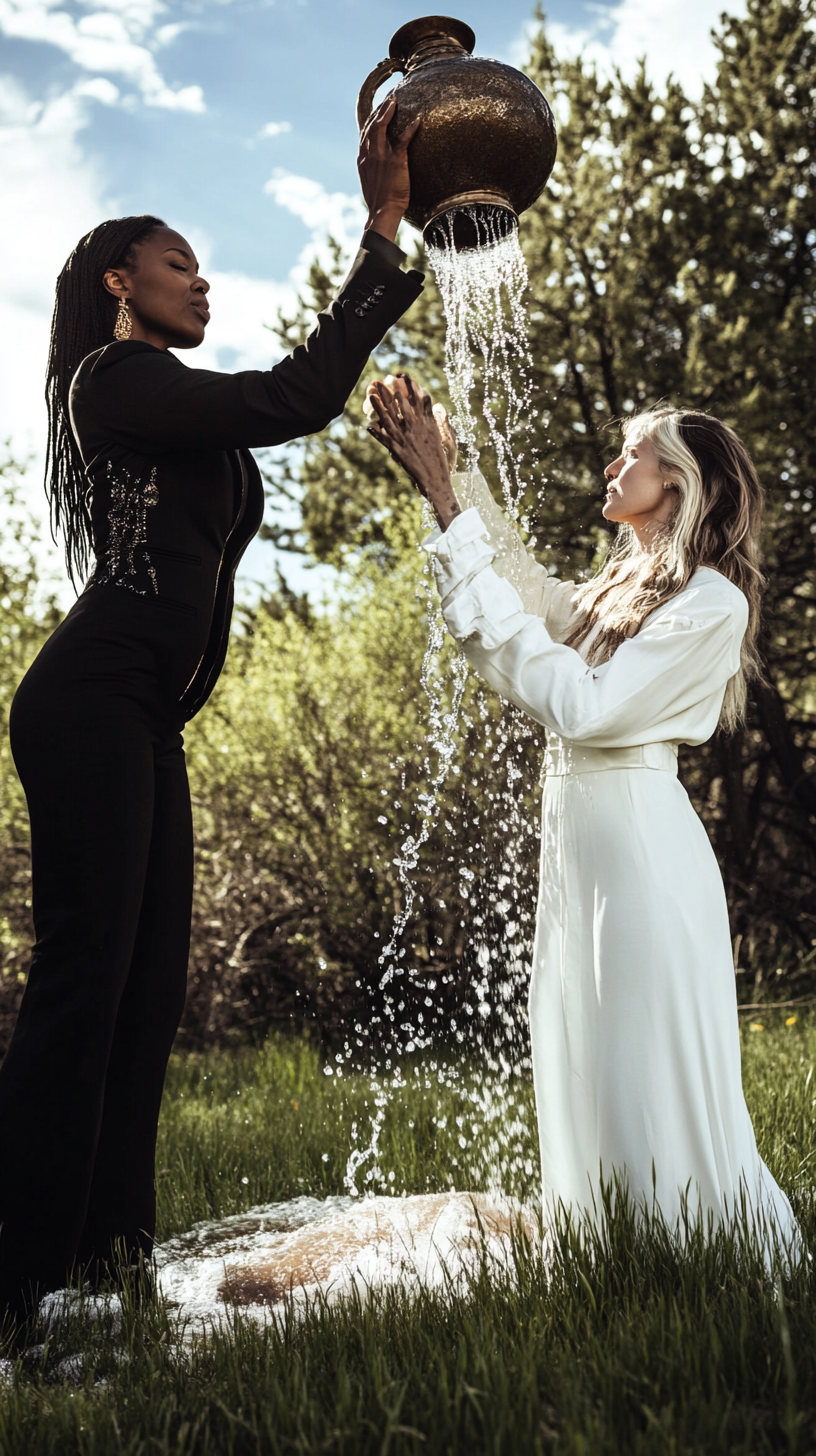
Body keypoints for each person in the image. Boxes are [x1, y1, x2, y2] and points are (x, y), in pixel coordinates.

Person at [0, 99, 424, 1333]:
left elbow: (270, 412)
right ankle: (21, 1281)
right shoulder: (114, 379)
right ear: (119, 281)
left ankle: (109, 1268)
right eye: (179, 263)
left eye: (198, 264)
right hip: (89, 707)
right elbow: (296, 396)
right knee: (86, 981)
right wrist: (381, 232)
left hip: (145, 720)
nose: (202, 281)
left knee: (146, 990)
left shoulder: (168, 403)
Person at [365, 374, 798, 1248]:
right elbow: (525, 593)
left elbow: (588, 709)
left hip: (641, 855)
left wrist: (450, 500)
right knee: (588, 1055)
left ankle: (703, 1254)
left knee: (641, 1060)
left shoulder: (713, 602)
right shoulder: (619, 590)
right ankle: (615, 1250)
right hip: (584, 849)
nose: (611, 464)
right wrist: (454, 481)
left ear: (675, 480)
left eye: (630, 452)